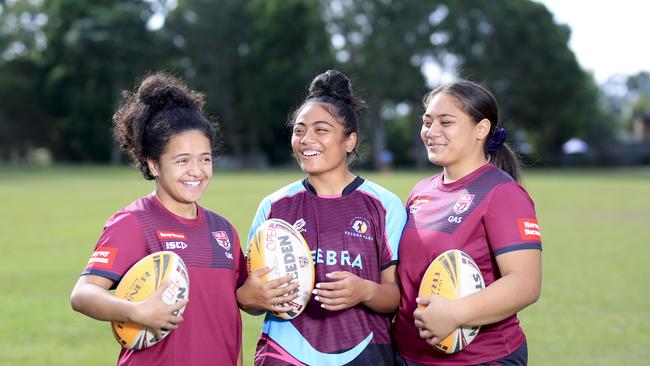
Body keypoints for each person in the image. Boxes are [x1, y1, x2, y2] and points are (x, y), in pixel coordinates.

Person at [70, 73, 247, 366]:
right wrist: (135, 311)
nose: (197, 170)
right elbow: (83, 294)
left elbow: (231, 314)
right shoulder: (134, 222)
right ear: (154, 164)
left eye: (205, 158)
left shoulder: (224, 230)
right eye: (182, 160)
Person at [236, 70, 407, 365]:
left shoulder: (384, 204)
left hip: (365, 356)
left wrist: (365, 291)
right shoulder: (274, 206)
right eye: (299, 130)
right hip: (284, 356)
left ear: (349, 141)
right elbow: (250, 298)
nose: (306, 139)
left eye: (321, 130)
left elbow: (395, 296)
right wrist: (250, 297)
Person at [392, 80, 542, 365]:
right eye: (427, 122)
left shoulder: (503, 193)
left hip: (480, 358)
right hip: (407, 356)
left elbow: (526, 283)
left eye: (445, 122)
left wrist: (456, 314)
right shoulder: (420, 191)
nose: (431, 132)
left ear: (481, 129)